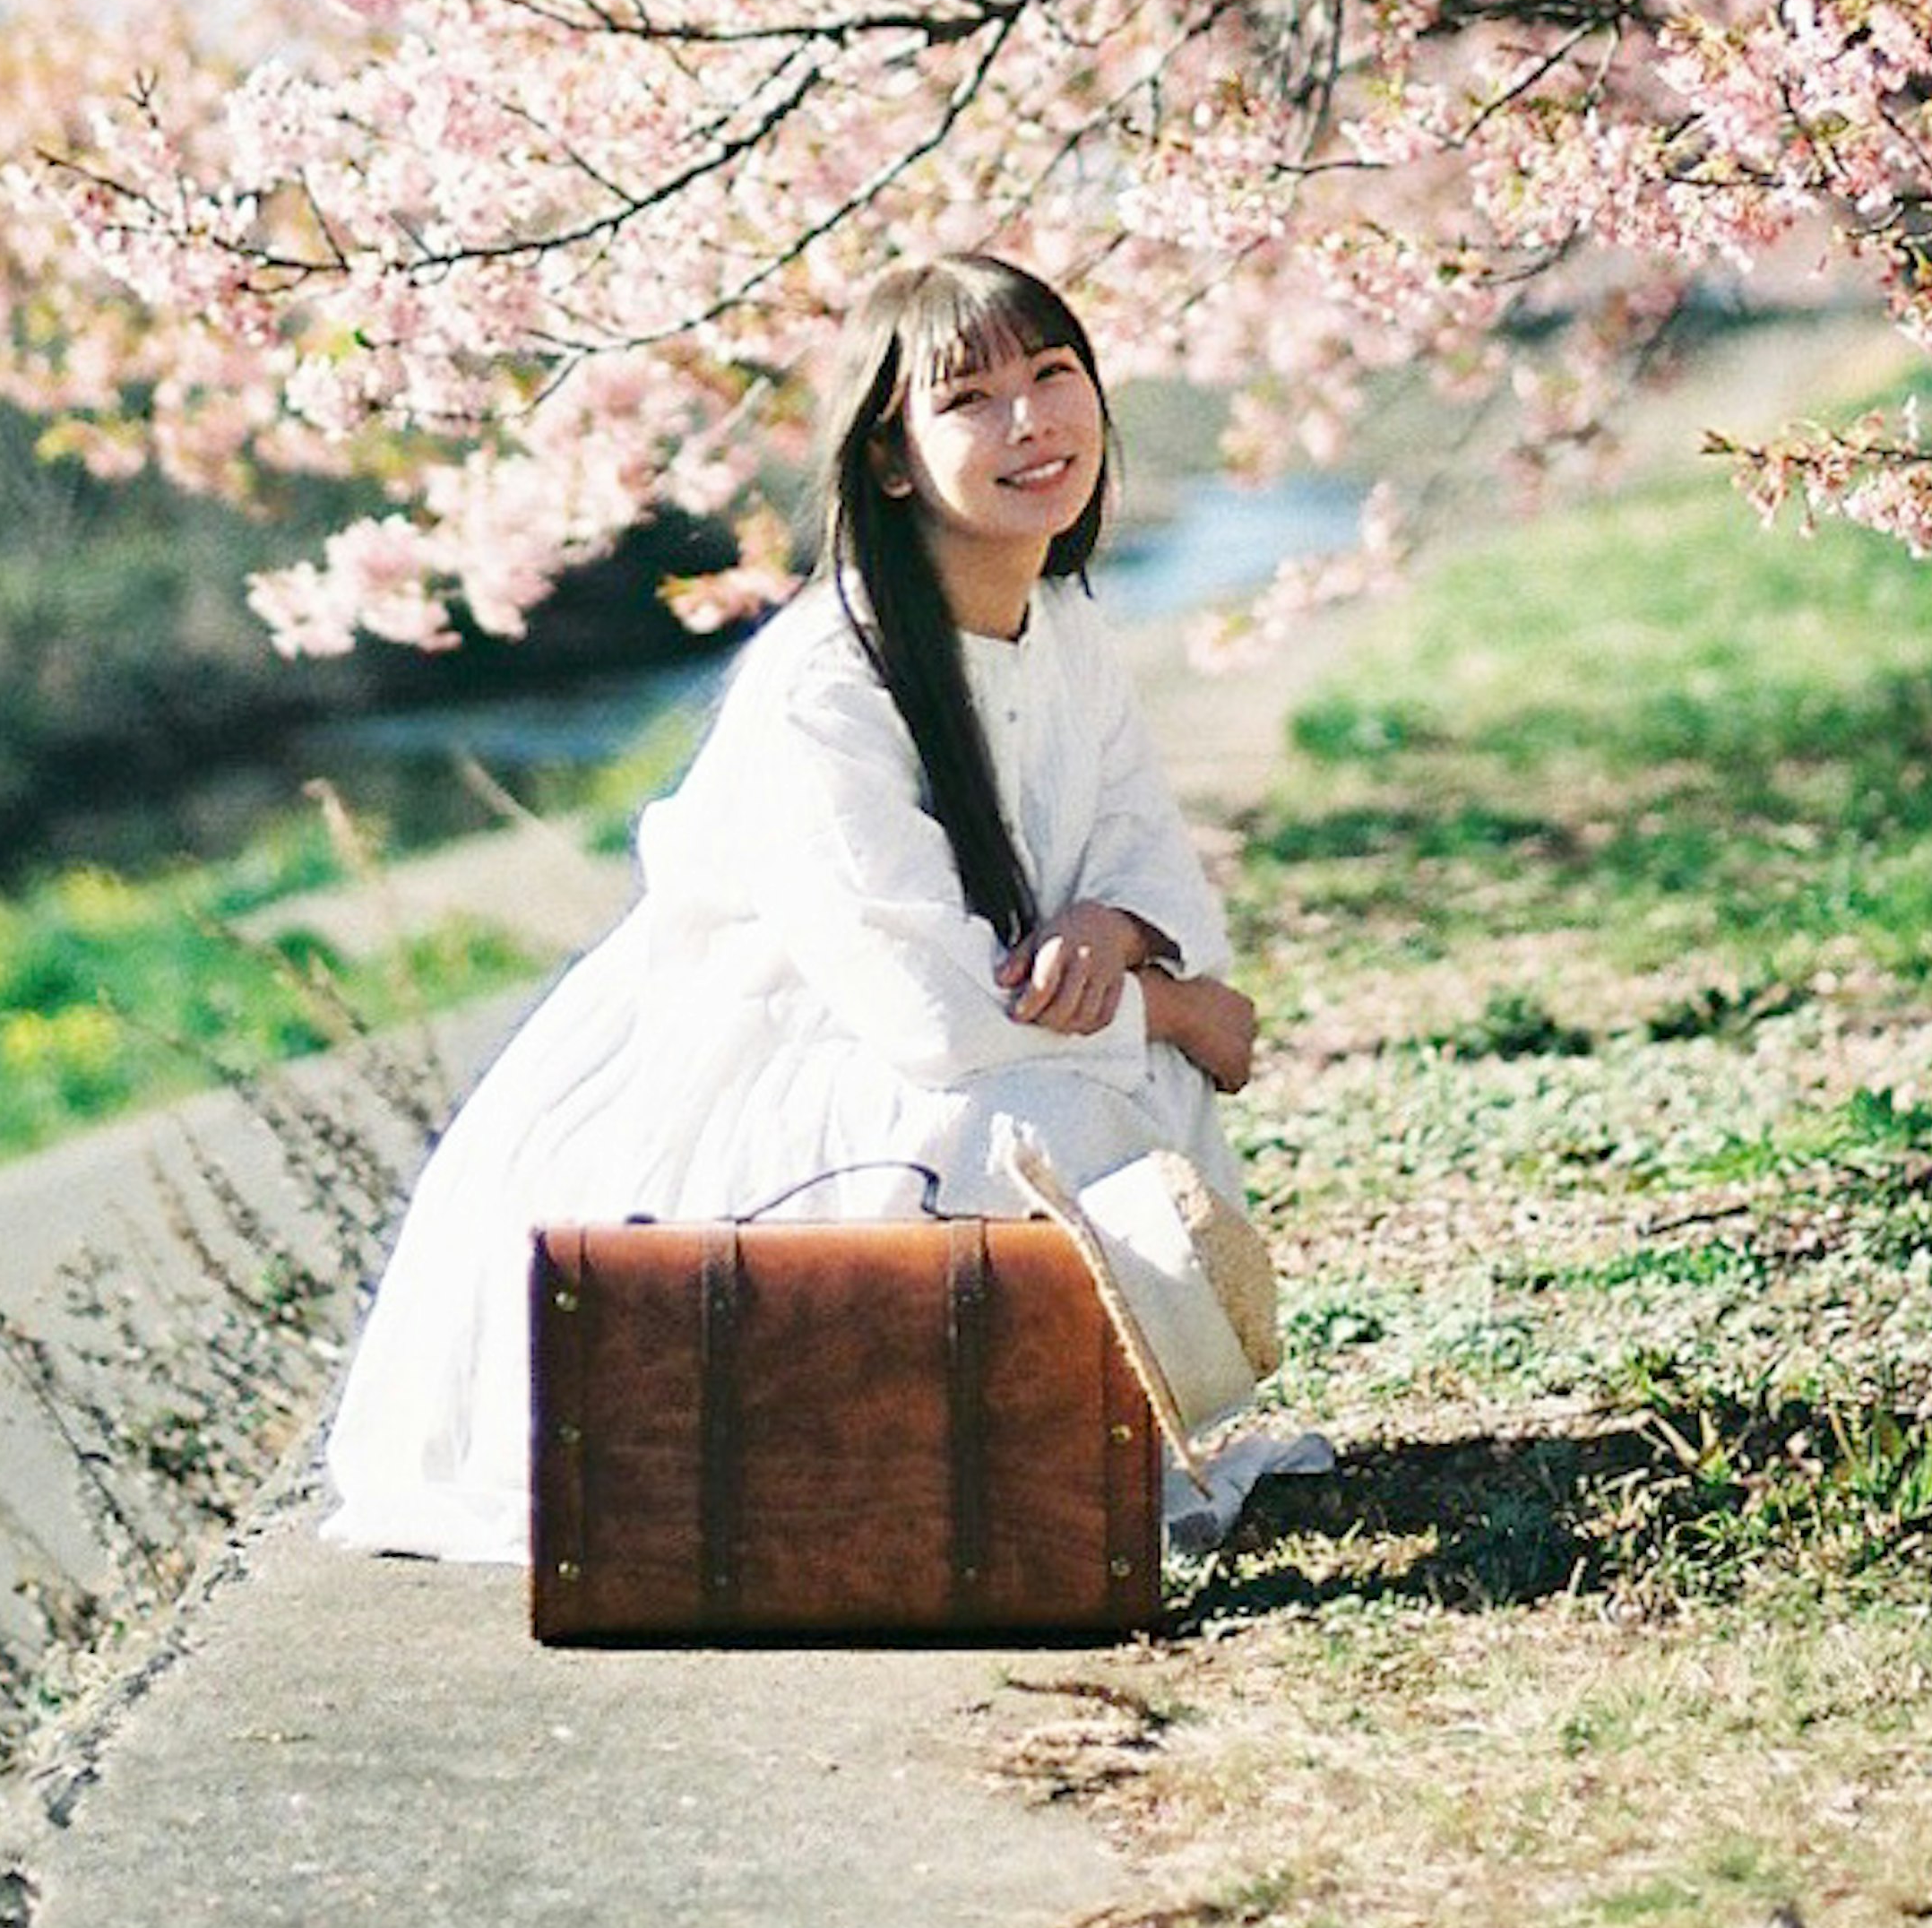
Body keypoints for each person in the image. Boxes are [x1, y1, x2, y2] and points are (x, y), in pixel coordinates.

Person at [322, 249, 1305, 1563]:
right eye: (970, 398)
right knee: (1064, 1101)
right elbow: (930, 1011)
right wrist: (1171, 1002)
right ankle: (948, 1444)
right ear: (891, 459)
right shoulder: (825, 683)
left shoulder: (1060, 626)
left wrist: (1117, 933)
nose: (1031, 421)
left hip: (926, 1053)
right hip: (738, 1094)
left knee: (1135, 1089)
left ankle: (1053, 1437)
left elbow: (1147, 855)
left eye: (1054, 374)